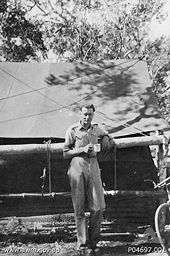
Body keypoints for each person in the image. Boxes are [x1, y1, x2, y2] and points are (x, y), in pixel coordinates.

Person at [63, 104, 114, 253]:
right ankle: (83, 245)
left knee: (98, 206)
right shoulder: (72, 130)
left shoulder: (96, 128)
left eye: (90, 115)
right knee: (79, 208)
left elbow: (106, 134)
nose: (87, 117)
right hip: (77, 165)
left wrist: (105, 137)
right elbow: (65, 152)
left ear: (93, 115)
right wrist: (81, 149)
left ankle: (94, 242)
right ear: (80, 114)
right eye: (85, 114)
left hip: (93, 165)